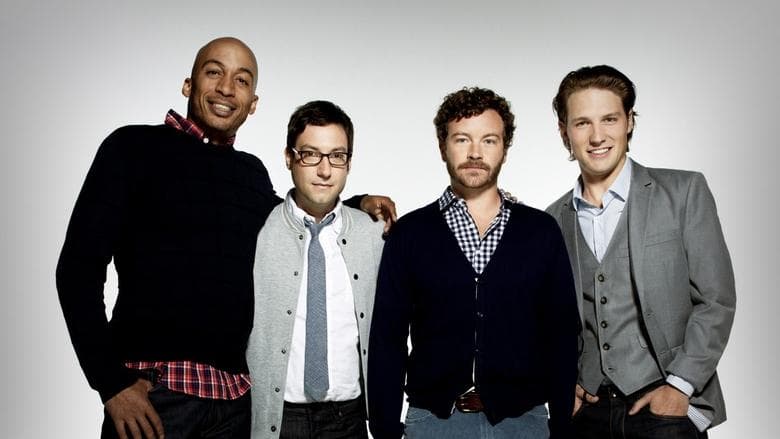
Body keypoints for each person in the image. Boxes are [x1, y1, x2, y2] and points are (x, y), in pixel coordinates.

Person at [56, 37, 395, 439]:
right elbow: (77, 271)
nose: (226, 88)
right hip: (156, 397)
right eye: (214, 72)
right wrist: (111, 383)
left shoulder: (249, 174)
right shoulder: (132, 148)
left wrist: (354, 204)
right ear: (189, 85)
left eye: (242, 80)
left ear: (253, 103)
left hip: (235, 403)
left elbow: (289, 216)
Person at [367, 87, 579, 439]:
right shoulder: (411, 234)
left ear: (505, 149)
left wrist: (560, 428)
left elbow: (561, 335)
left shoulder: (540, 231)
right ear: (442, 147)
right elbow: (388, 339)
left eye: (489, 140)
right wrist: (386, 430)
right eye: (462, 139)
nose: (475, 153)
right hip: (433, 424)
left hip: (524, 424)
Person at [546, 65, 736, 439]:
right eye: (582, 123)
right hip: (586, 415)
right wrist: (561, 383)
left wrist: (680, 386)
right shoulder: (552, 220)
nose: (597, 136)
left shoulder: (683, 192)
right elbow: (549, 323)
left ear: (629, 121)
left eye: (609, 119)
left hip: (665, 408)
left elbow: (716, 300)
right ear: (564, 131)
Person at [246, 100, 384, 438]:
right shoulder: (257, 228)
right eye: (310, 155)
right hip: (278, 417)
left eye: (337, 156)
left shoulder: (374, 235)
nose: (325, 170)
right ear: (289, 157)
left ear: (348, 162)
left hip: (349, 418)